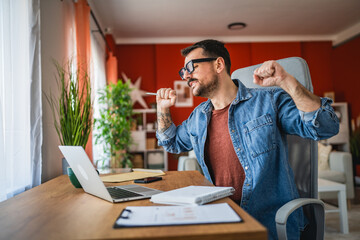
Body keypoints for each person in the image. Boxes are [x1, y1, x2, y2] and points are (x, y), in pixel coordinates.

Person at [155, 39, 339, 240]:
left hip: (266, 223)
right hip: (221, 219)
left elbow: (325, 127)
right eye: (183, 72)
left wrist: (287, 82)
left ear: (218, 64)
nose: (186, 76)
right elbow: (170, 142)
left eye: (192, 67)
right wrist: (162, 108)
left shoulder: (268, 100)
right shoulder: (198, 117)